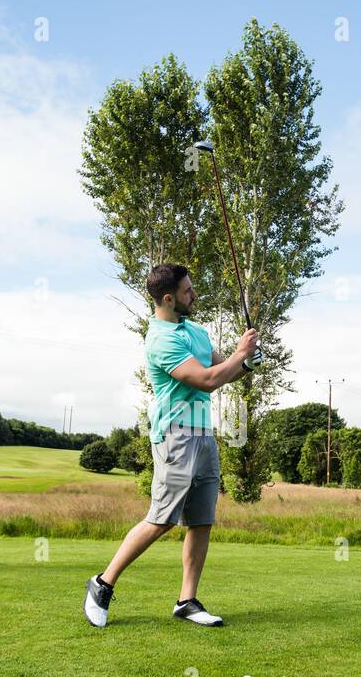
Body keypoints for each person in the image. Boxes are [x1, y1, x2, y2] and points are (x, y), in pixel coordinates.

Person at [83, 263, 263, 628]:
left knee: (201, 520)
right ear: (168, 299)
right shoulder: (161, 341)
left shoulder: (195, 330)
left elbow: (220, 365)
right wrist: (240, 355)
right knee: (162, 518)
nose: (194, 295)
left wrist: (246, 362)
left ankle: (187, 601)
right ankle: (102, 584)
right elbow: (208, 380)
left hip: (203, 435)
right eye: (187, 291)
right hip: (174, 436)